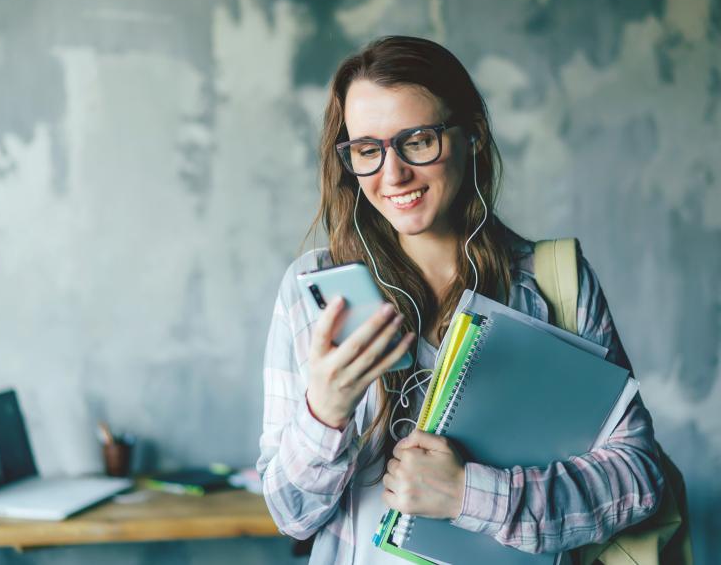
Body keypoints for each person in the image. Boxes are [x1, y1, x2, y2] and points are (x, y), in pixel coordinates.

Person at [257, 36, 664, 564]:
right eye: (367, 150)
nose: (393, 173)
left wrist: (468, 495)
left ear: (472, 134)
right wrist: (325, 412)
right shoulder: (314, 290)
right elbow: (291, 515)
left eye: (418, 140)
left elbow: (637, 478)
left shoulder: (552, 281)